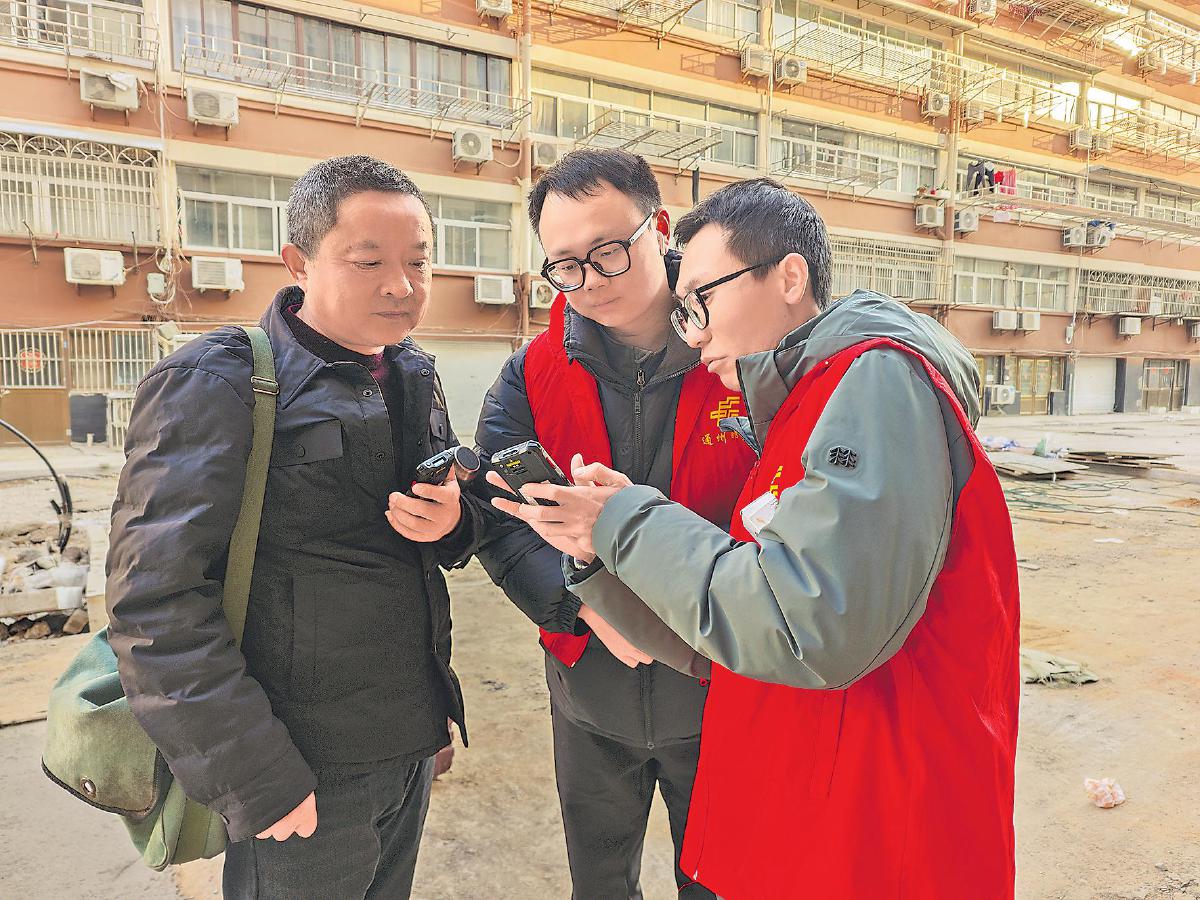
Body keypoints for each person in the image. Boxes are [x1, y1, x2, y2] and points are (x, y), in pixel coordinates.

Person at [490, 177, 1021, 899]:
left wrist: (624, 522)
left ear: (790, 278)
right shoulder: (799, 396)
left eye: (702, 299)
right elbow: (746, 613)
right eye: (564, 264)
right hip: (734, 736)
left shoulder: (872, 379)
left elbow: (806, 621)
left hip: (876, 801)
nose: (696, 331)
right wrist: (596, 572)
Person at [106, 155, 492, 899]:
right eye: (369, 261)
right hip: (297, 765)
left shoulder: (411, 372)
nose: (402, 285)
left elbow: (453, 517)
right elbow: (153, 603)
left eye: (418, 261)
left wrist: (452, 521)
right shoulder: (218, 383)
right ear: (298, 262)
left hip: (405, 742)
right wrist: (254, 776)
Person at [475, 149, 755, 899]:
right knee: (599, 884)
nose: (591, 281)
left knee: (724, 881)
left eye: (608, 252)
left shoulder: (744, 355)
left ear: (658, 228)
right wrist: (585, 610)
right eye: (566, 266)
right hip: (589, 696)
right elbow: (500, 521)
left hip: (728, 691)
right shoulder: (530, 374)